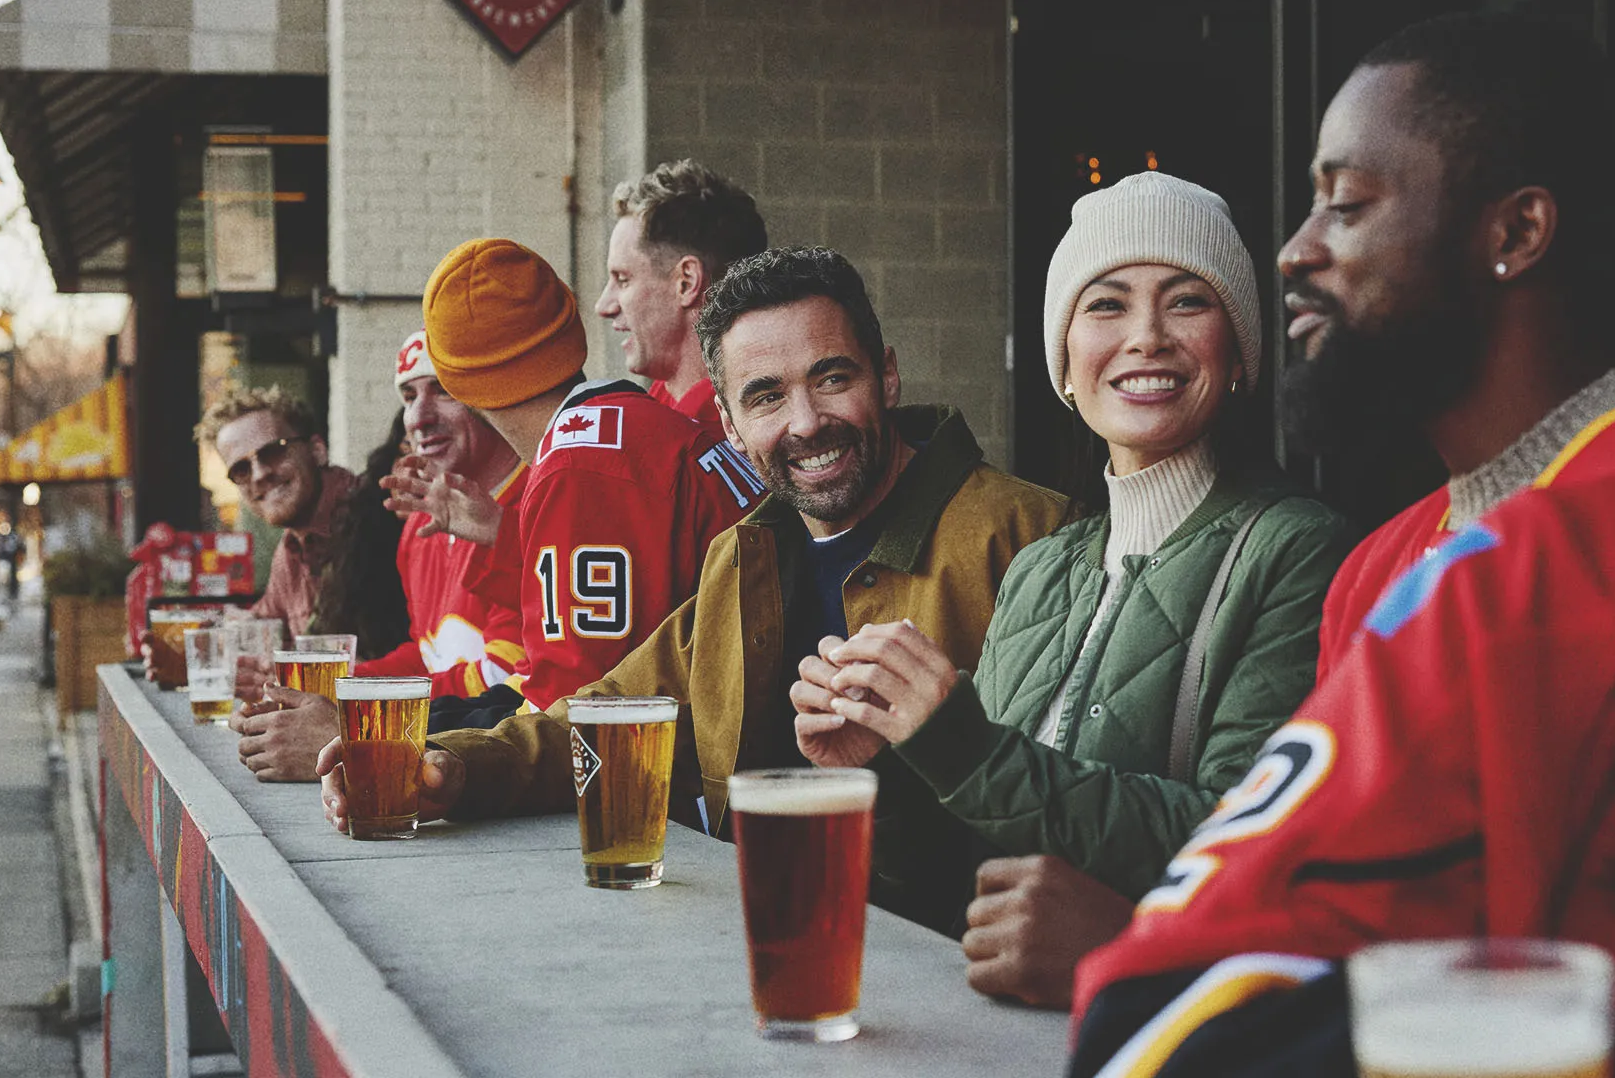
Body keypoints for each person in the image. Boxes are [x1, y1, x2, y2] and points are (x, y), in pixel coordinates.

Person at [1067, 14, 1615, 1076]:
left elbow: (1155, 1013)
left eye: (1348, 204)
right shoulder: (1379, 568)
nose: (1299, 247)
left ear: (1515, 231)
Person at [322, 246, 1071, 935]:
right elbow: (608, 718)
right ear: (732, 424)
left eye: (832, 377)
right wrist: (452, 767)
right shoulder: (746, 554)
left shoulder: (1033, 536)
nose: (806, 422)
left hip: (948, 977)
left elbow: (1069, 812)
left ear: (889, 376)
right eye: (767, 396)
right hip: (751, 951)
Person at [793, 173, 1351, 1008]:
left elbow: (1250, 839)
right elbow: (973, 847)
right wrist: (883, 757)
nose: (1146, 337)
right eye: (1106, 305)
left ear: (1238, 355)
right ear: (1063, 361)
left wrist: (955, 743)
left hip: (1151, 1029)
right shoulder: (1042, 566)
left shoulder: (1296, 548)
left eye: (1187, 301)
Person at [379, 237, 761, 713]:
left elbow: (570, 716)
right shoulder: (631, 421)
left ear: (462, 382)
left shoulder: (578, 467)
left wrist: (371, 731)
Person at [234, 332, 529, 782]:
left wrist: (349, 713)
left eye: (443, 389)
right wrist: (311, 688)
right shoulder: (418, 524)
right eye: (409, 396)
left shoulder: (537, 499)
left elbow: (504, 678)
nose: (418, 417)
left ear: (491, 393)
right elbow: (427, 657)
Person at [595, 159, 768, 432]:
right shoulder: (662, 402)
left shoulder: (739, 430)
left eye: (623, 280)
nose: (603, 306)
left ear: (686, 282)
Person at [195, 387, 354, 638]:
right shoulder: (291, 550)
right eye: (241, 469)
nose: (259, 475)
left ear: (317, 451)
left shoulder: (377, 515)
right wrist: (194, 644)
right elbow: (263, 623)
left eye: (273, 451)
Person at [312, 410, 413, 662]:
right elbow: (319, 634)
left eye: (429, 449)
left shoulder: (476, 540)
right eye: (405, 450)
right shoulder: (366, 534)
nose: (410, 467)